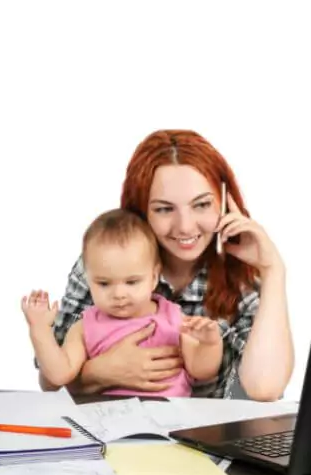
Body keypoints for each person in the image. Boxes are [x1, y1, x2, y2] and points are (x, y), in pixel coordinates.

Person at [33, 129, 294, 401]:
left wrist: (273, 270)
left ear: (224, 201)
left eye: (202, 205)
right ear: (141, 210)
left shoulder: (242, 278)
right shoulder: (108, 263)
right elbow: (51, 379)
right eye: (164, 209)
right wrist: (100, 372)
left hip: (197, 433)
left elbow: (265, 388)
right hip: (110, 428)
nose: (185, 226)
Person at [23, 208, 223, 397]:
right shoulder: (85, 327)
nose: (118, 294)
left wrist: (210, 343)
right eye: (103, 283)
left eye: (132, 282)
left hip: (170, 420)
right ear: (88, 279)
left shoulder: (174, 318)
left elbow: (201, 370)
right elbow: (59, 375)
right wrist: (39, 330)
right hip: (106, 423)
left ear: (154, 277)